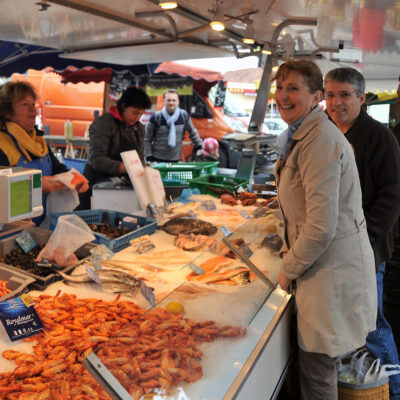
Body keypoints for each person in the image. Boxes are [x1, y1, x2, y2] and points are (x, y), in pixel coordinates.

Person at [274, 60, 377, 400]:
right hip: (321, 266)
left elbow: (320, 226)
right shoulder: (304, 134)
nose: (283, 96)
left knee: (318, 371)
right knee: (316, 367)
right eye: (280, 87)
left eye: (293, 88)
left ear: (315, 96)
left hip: (330, 270)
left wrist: (288, 270)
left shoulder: (320, 139)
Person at [325, 67, 400, 400]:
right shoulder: (331, 133)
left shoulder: (378, 136)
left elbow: (393, 195)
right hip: (338, 250)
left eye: (344, 95)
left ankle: (395, 390)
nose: (336, 102)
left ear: (361, 97)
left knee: (373, 326)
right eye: (330, 95)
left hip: (367, 252)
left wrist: (364, 242)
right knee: (360, 325)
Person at [0, 81, 89, 226]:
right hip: (9, 229)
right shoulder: (2, 144)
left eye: (33, 104)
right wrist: (38, 185)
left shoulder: (38, 141)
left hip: (39, 226)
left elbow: (58, 169)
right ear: (6, 111)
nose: (33, 111)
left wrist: (74, 179)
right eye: (24, 104)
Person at [80, 86, 152, 209]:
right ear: (123, 106)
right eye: (135, 113)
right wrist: (122, 167)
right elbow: (95, 158)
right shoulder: (104, 124)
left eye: (141, 114)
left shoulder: (138, 128)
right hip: (96, 187)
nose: (138, 118)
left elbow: (139, 158)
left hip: (120, 190)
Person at [145, 88, 202, 162]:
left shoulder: (183, 116)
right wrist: (148, 156)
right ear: (164, 101)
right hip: (157, 160)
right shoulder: (156, 117)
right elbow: (147, 139)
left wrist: (200, 145)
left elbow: (192, 132)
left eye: (174, 100)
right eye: (168, 100)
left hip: (175, 159)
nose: (171, 103)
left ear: (178, 102)